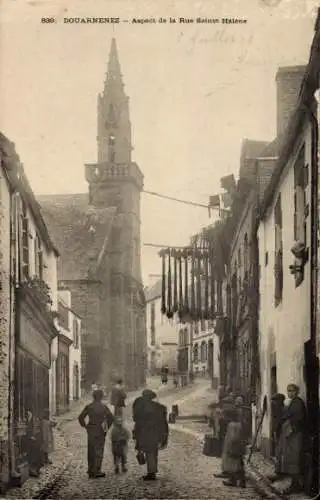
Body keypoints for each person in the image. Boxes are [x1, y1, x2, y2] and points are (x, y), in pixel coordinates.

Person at [276, 384, 307, 494]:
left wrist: (290, 429)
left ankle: (296, 485)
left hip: (295, 435)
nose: (290, 393)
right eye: (288, 391)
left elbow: (298, 419)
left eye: (292, 391)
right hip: (291, 435)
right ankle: (295, 484)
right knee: (291, 459)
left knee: (294, 459)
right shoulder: (293, 402)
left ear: (297, 391)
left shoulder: (298, 403)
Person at [132, 389, 169, 481]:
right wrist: (164, 434)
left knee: (148, 451)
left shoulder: (139, 406)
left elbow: (135, 419)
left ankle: (151, 473)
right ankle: (152, 470)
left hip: (143, 431)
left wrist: (136, 432)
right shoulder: (158, 407)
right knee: (153, 451)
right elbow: (163, 421)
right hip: (155, 432)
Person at [78, 389, 114, 478]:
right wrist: (106, 428)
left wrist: (85, 426)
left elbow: (81, 417)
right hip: (101, 430)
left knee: (91, 450)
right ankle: (97, 470)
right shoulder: (104, 407)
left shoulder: (89, 407)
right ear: (101, 397)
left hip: (91, 430)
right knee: (99, 450)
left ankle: (91, 469)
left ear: (93, 396)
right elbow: (111, 418)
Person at [221, 408, 246, 488]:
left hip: (233, 446)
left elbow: (232, 437)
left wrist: (230, 447)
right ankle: (241, 481)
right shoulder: (239, 424)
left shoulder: (231, 425)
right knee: (239, 464)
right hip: (239, 446)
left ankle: (233, 480)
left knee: (232, 464)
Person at [268, 393, 286, 482]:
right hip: (277, 433)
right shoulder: (277, 410)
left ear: (279, 401)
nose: (273, 404)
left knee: (280, 453)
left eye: (274, 401)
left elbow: (280, 423)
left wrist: (276, 432)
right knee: (278, 453)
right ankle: (278, 471)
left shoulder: (282, 410)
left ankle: (279, 473)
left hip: (281, 434)